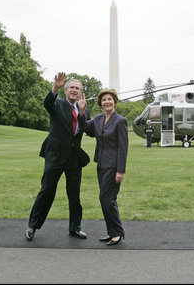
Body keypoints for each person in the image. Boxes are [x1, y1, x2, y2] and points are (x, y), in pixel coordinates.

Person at [25, 72, 91, 241]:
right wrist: (55, 87)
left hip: (74, 158)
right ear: (66, 90)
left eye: (77, 88)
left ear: (81, 92)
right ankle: (33, 226)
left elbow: (84, 130)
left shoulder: (83, 109)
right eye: (72, 88)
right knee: (47, 190)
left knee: (74, 195)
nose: (75, 90)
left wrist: (82, 114)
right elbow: (47, 103)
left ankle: (75, 228)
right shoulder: (58, 104)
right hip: (55, 156)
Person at [82, 88, 128, 246]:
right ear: (100, 104)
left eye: (109, 99)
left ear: (114, 102)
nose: (107, 102)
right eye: (104, 100)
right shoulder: (98, 119)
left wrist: (120, 170)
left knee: (106, 199)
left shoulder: (120, 121)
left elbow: (123, 147)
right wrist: (82, 111)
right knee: (108, 200)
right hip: (101, 164)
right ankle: (114, 232)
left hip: (113, 166)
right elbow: (84, 127)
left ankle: (117, 233)